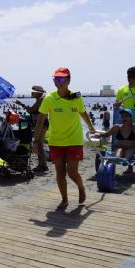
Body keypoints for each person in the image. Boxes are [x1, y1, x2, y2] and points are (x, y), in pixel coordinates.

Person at [33, 67, 95, 209]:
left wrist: (91, 128)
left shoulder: (76, 97)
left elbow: (83, 113)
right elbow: (41, 120)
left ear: (68, 80)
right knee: (60, 172)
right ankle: (65, 199)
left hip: (74, 139)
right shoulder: (49, 98)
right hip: (56, 141)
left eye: (61, 79)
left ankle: (80, 187)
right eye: (56, 79)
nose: (58, 82)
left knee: (72, 172)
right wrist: (35, 141)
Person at [97, 109, 135, 174]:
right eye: (123, 116)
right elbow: (106, 134)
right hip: (122, 148)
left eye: (126, 116)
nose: (124, 118)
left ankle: (126, 160)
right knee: (119, 150)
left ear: (130, 118)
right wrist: (99, 135)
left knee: (129, 150)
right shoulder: (117, 127)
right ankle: (118, 158)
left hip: (134, 149)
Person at [16, 85, 49, 171]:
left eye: (33, 92)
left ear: (38, 93)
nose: (31, 93)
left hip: (42, 124)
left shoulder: (41, 99)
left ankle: (43, 165)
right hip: (40, 124)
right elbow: (32, 111)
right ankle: (41, 164)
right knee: (38, 144)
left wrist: (21, 104)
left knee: (39, 144)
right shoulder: (39, 99)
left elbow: (32, 109)